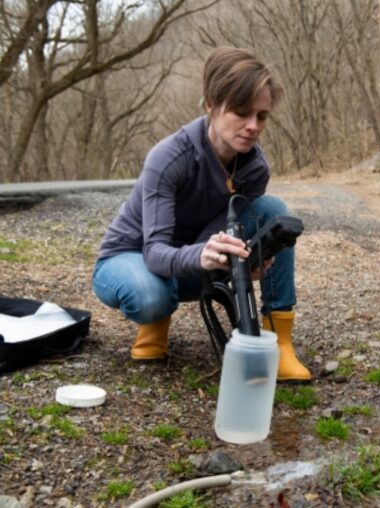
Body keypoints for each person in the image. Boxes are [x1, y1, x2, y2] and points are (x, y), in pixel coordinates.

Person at [92, 47, 311, 382]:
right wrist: (204, 255)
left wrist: (244, 264)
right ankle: (154, 323)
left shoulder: (254, 169)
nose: (253, 126)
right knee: (151, 294)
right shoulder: (169, 157)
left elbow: (218, 237)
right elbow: (155, 251)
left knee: (273, 213)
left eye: (262, 116)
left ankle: (279, 344)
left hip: (189, 262)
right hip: (132, 257)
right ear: (211, 104)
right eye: (241, 112)